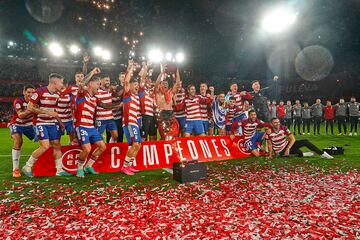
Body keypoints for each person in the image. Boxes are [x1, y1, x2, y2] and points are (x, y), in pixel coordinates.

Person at [22, 73, 71, 177]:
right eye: (61, 82)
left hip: (52, 123)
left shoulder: (57, 94)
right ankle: (27, 166)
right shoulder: (39, 92)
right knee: (45, 146)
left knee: (57, 145)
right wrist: (46, 112)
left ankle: (59, 170)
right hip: (40, 123)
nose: (62, 85)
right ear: (54, 82)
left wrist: (60, 123)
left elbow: (54, 111)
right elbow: (30, 107)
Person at [74, 68, 107, 178]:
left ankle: (88, 166)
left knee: (102, 146)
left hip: (91, 127)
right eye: (98, 84)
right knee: (87, 149)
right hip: (81, 126)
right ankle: (79, 168)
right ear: (90, 84)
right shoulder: (82, 94)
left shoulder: (95, 98)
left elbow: (104, 105)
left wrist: (119, 105)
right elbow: (82, 83)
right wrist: (92, 72)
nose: (99, 86)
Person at [266, 117, 333, 159]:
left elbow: (292, 138)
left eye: (278, 122)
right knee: (298, 152)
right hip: (280, 150)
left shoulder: (283, 128)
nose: (277, 124)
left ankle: (322, 154)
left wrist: (288, 148)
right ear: (271, 124)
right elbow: (270, 144)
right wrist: (270, 155)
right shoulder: (268, 132)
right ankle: (304, 154)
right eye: (275, 123)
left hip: (286, 145)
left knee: (305, 141)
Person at [9, 85, 36, 177]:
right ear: (24, 92)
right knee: (18, 141)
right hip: (17, 124)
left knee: (43, 141)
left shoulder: (36, 101)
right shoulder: (18, 101)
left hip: (29, 125)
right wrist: (31, 109)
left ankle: (31, 164)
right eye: (28, 92)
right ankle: (15, 169)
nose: (30, 94)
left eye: (32, 92)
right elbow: (20, 115)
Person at [121, 62, 142, 175]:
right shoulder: (127, 93)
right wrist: (130, 69)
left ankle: (130, 165)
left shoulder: (137, 97)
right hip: (129, 123)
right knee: (134, 144)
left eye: (137, 84)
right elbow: (126, 81)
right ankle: (125, 167)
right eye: (135, 84)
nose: (137, 86)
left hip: (134, 123)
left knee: (137, 145)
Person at [95, 75, 118, 142]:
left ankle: (110, 148)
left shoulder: (110, 90)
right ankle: (102, 149)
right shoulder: (96, 91)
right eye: (106, 80)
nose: (108, 82)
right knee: (99, 136)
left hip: (110, 118)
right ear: (101, 81)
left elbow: (117, 95)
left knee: (115, 135)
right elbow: (104, 105)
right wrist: (117, 105)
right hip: (100, 118)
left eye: (109, 81)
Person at [139, 63, 157, 141]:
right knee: (143, 137)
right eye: (147, 80)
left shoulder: (152, 91)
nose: (149, 81)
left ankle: (151, 152)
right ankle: (141, 152)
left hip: (152, 116)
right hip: (144, 115)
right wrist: (146, 67)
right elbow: (142, 78)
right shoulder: (141, 89)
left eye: (150, 80)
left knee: (153, 137)